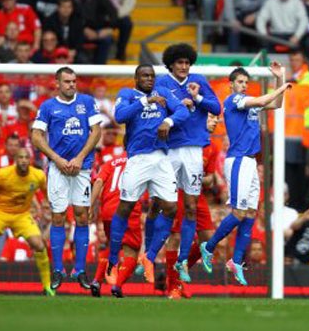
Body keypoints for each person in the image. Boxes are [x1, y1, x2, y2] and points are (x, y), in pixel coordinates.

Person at [200, 64, 291, 286]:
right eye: (240, 82)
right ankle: (209, 246)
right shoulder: (233, 101)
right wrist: (283, 87)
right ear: (231, 85)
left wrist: (279, 79)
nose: (243, 85)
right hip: (238, 161)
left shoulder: (250, 105)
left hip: (250, 162)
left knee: (251, 212)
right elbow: (262, 101)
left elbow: (277, 104)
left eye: (245, 83)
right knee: (239, 213)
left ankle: (236, 261)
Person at [106, 64, 189, 284]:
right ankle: (113, 260)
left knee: (171, 207)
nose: (149, 79)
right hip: (138, 158)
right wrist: (146, 101)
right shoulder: (127, 94)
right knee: (126, 206)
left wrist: (168, 120)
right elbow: (120, 116)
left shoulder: (162, 93)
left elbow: (182, 110)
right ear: (136, 78)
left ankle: (149, 256)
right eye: (145, 75)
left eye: (152, 76)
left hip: (161, 157)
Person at [31, 67, 102, 290]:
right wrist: (56, 159)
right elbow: (36, 136)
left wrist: (80, 157)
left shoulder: (87, 102)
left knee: (82, 217)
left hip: (82, 168)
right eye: (67, 81)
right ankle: (58, 269)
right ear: (57, 83)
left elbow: (96, 131)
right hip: (58, 169)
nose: (72, 85)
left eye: (74, 81)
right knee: (58, 217)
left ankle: (80, 270)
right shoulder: (48, 106)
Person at [156, 44, 221, 283]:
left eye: (187, 62)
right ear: (171, 63)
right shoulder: (162, 83)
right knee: (164, 206)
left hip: (194, 149)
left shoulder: (199, 80)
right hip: (170, 150)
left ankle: (182, 261)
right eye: (179, 62)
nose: (184, 67)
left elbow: (216, 107)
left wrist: (197, 96)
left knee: (191, 207)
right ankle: (151, 256)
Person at [0, 148, 53, 296]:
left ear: (30, 160)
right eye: (20, 157)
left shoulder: (37, 176)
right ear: (15, 159)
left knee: (39, 244)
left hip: (21, 215)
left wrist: (53, 204)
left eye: (26, 157)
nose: (23, 160)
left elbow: (47, 192)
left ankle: (47, 287)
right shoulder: (4, 174)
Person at [89, 154, 142, 298]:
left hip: (107, 211)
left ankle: (96, 281)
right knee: (132, 251)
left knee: (113, 246)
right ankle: (117, 286)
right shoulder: (141, 161)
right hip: (128, 209)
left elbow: (98, 181)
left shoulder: (110, 162)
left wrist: (91, 205)